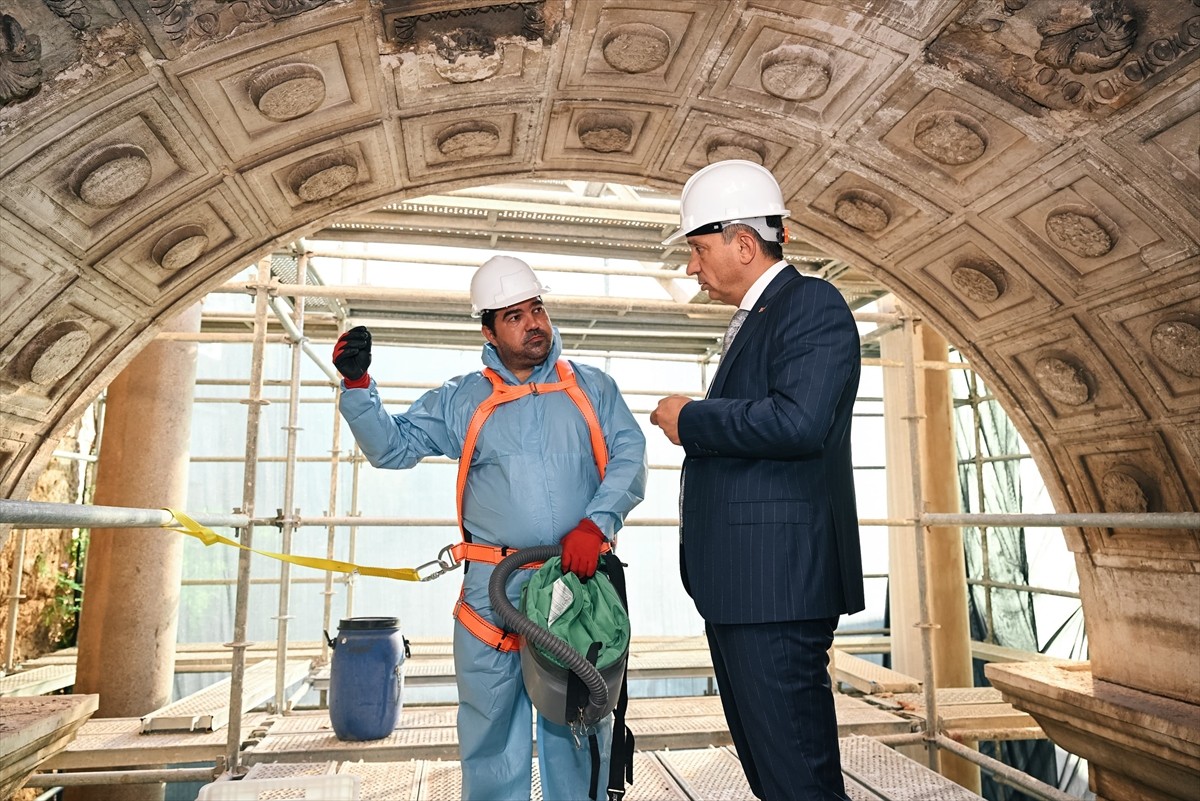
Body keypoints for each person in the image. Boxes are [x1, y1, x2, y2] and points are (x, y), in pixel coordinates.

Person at [331, 254, 647, 801]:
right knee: (490, 731)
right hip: (492, 593)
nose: (533, 324)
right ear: (489, 331)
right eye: (514, 316)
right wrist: (358, 385)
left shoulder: (591, 388)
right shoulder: (463, 399)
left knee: (576, 723)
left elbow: (630, 456)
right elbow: (392, 447)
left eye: (536, 309)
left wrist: (596, 525)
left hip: (576, 581)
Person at [649, 160, 864, 799]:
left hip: (777, 589)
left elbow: (799, 423)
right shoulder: (764, 315)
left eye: (698, 249)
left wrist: (692, 419)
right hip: (747, 589)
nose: (692, 267)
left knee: (798, 780)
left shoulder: (810, 304)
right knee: (775, 777)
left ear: (744, 243)